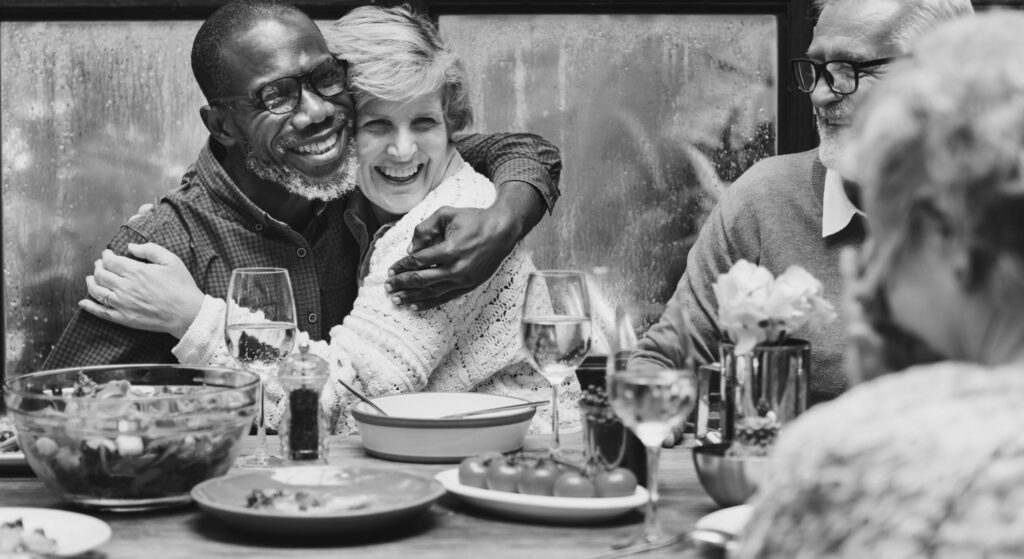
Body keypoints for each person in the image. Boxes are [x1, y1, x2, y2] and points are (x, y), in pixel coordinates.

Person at [79, 5, 577, 434]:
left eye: (424, 122)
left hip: (513, 469)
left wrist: (195, 319)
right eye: (376, 123)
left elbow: (344, 407)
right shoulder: (339, 190)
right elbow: (63, 407)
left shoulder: (444, 226)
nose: (403, 150)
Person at [740, 12, 1024, 557]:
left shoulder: (851, 456)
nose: (866, 271)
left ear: (952, 239)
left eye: (891, 232)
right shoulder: (764, 197)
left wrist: (881, 402)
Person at [631, 0, 972, 406]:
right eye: (817, 69)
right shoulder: (763, 199)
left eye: (850, 69)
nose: (821, 94)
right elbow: (660, 362)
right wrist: (649, 409)